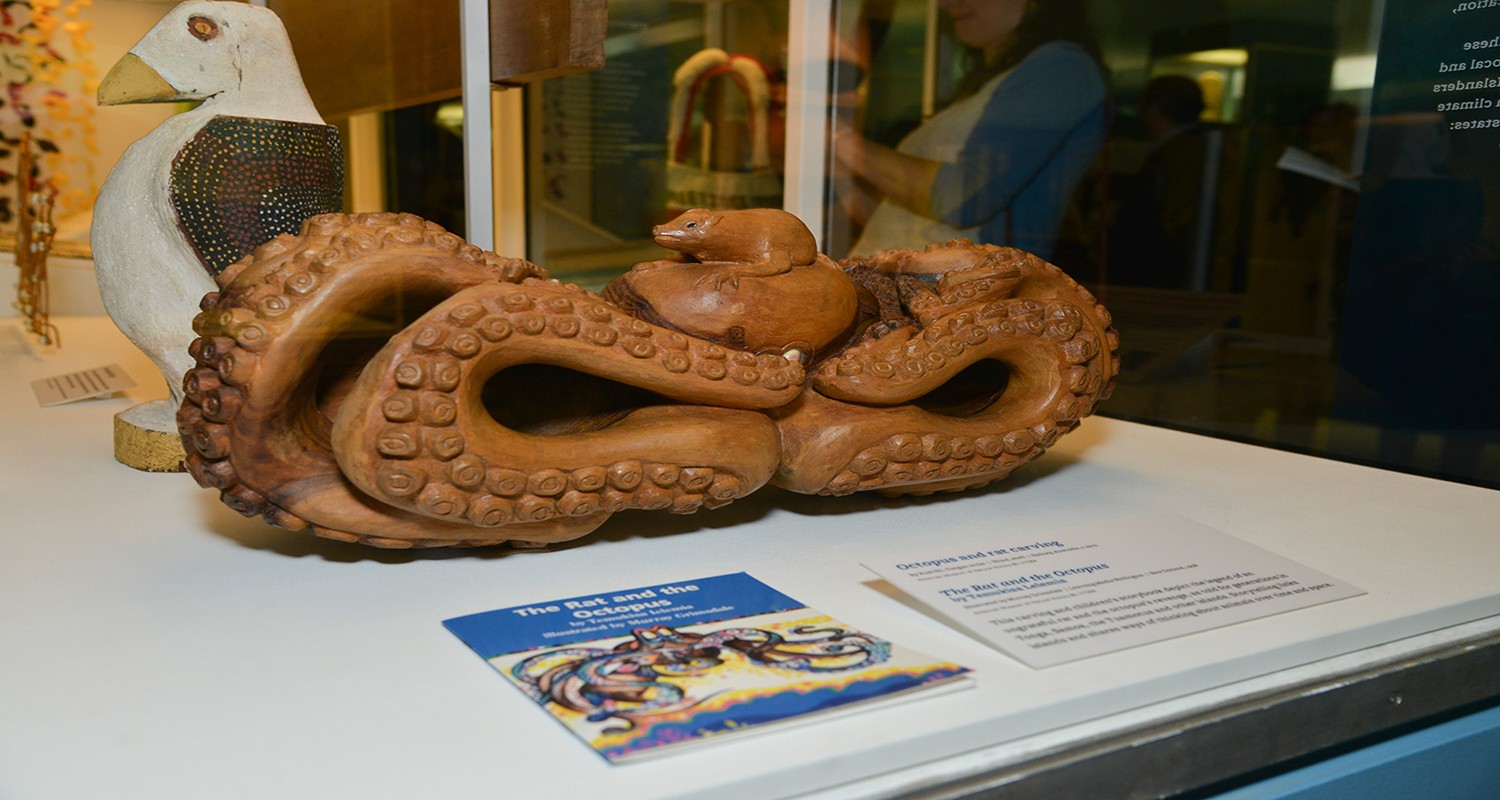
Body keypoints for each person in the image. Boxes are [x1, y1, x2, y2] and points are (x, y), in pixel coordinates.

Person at [833, 0, 1108, 261]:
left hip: (957, 297)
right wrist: (838, 168)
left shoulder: (1060, 68)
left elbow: (965, 199)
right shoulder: (990, 89)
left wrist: (838, 137)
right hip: (918, 291)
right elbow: (905, 225)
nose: (947, 2)